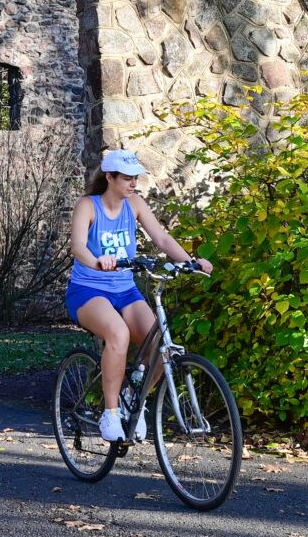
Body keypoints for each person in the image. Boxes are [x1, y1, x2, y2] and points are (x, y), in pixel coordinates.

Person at [67, 149, 211, 444]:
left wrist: (189, 262)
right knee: (117, 333)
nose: (134, 184)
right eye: (128, 179)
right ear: (110, 177)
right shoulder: (88, 205)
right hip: (89, 289)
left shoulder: (134, 204)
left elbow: (161, 238)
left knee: (159, 342)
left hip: (125, 289)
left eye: (136, 179)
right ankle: (110, 412)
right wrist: (97, 261)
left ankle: (135, 399)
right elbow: (78, 246)